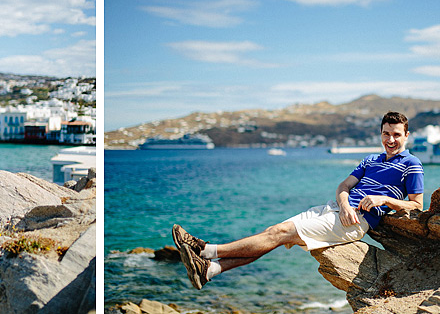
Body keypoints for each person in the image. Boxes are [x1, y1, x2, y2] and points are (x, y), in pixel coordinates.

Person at [172, 111, 424, 290]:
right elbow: (343, 185)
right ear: (380, 133)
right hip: (336, 208)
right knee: (273, 233)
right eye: (385, 133)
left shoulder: (412, 165)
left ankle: (204, 250)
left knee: (280, 232)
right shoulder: (371, 159)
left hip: (356, 221)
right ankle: (210, 271)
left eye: (396, 135)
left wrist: (384, 200)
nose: (390, 140)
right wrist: (345, 203)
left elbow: (417, 204)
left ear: (407, 135)